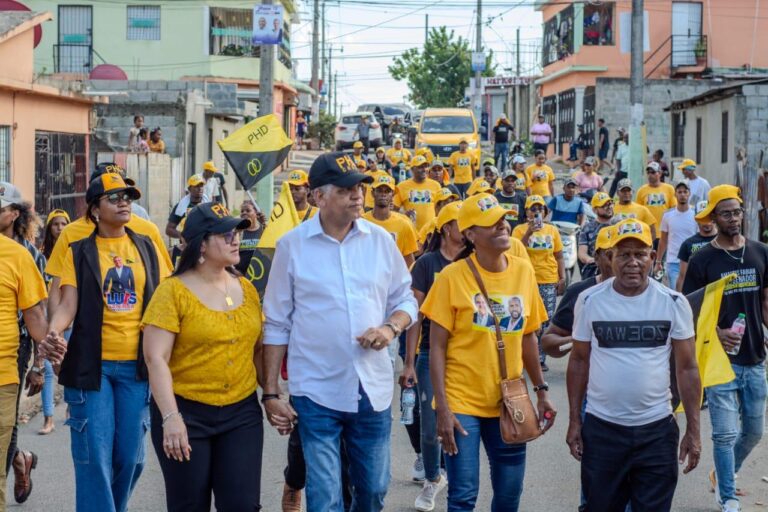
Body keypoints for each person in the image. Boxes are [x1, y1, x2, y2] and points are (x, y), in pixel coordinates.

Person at [261, 152, 418, 512]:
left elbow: (406, 300)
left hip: (371, 389)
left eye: (359, 188)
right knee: (324, 496)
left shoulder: (381, 241)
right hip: (315, 389)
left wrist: (390, 327)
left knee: (374, 490)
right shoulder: (292, 246)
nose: (357, 195)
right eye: (346, 190)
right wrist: (271, 391)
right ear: (319, 197)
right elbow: (277, 323)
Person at [41, 172, 172, 512]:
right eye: (114, 198)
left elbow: (166, 298)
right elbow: (67, 304)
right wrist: (53, 332)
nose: (124, 202)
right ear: (95, 210)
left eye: (127, 196)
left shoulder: (147, 245)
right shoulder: (79, 250)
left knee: (131, 457)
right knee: (94, 458)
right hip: (92, 368)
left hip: (137, 367)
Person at [421, 192, 556, 511]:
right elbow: (436, 346)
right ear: (470, 234)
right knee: (463, 496)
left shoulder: (523, 271)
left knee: (509, 496)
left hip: (509, 402)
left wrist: (541, 391)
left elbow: (528, 337)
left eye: (503, 219)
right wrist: (442, 407)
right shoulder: (452, 276)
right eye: (491, 222)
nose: (502, 226)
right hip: (461, 402)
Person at [567, 218, 702, 512]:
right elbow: (578, 361)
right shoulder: (589, 301)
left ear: (652, 257)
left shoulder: (673, 302)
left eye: (640, 254)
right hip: (602, 429)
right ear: (610, 257)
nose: (632, 262)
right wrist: (575, 420)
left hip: (657, 431)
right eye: (624, 254)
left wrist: (694, 430)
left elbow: (687, 368)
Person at [141, 202, 264, 512]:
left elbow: (257, 350)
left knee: (242, 505)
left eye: (237, 232)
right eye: (226, 234)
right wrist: (171, 418)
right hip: (186, 413)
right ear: (202, 244)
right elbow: (156, 359)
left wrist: (274, 394)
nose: (236, 239)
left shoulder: (247, 289)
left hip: (241, 413)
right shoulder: (172, 292)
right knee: (189, 505)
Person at [682, 185, 767, 512]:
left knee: (754, 432)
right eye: (726, 213)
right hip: (719, 362)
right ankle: (728, 496)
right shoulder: (702, 259)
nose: (733, 218)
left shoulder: (761, 252)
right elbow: (689, 310)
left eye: (736, 212)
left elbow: (765, 302)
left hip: (755, 358)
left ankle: (723, 474)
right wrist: (717, 333)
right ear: (714, 218)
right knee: (724, 434)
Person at [401, 202, 463, 511]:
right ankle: (431, 478)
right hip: (429, 353)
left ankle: (457, 483)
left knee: (463, 423)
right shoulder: (427, 264)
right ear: (447, 228)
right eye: (461, 222)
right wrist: (409, 362)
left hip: (464, 355)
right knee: (429, 426)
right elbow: (415, 316)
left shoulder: (473, 261)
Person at [0, 194, 47, 510]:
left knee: (7, 431)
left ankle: (15, 461)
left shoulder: (24, 255)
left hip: (11, 357)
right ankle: (20, 460)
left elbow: (36, 313)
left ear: (14, 214)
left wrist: (42, 363)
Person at [541, 224, 614, 359]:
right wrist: (577, 339)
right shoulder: (580, 293)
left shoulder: (653, 295)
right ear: (597, 258)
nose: (618, 261)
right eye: (610, 254)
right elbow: (548, 343)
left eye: (625, 254)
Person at [512, 195, 565, 372]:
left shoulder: (552, 230)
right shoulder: (519, 230)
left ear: (545, 211)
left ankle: (540, 358)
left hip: (548, 280)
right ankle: (522, 357)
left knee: (545, 320)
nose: (537, 212)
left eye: (540, 209)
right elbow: (514, 252)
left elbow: (559, 255)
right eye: (533, 209)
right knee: (525, 318)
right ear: (526, 212)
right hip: (525, 281)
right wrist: (529, 232)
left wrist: (562, 277)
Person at [363, 174, 418, 267]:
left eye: (387, 191)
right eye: (379, 190)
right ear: (372, 193)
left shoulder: (403, 224)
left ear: (393, 195)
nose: (383, 194)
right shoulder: (361, 221)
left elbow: (409, 263)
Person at [655, 181, 698, 289]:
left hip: (692, 261)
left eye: (685, 192)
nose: (682, 195)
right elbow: (663, 240)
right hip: (673, 262)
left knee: (692, 292)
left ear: (689, 193)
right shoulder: (667, 215)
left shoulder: (696, 214)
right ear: (675, 194)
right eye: (679, 192)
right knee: (676, 292)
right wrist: (658, 261)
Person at [394, 155, 442, 232]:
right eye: (420, 167)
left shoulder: (436, 185)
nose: (424, 169)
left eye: (426, 166)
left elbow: (441, 209)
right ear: (412, 169)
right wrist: (403, 215)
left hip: (430, 232)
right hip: (410, 232)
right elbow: (393, 211)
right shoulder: (402, 186)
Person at [675, 200, 716, 292]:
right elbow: (682, 276)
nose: (706, 222)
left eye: (708, 216)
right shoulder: (687, 244)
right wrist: (679, 297)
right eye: (702, 217)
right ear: (696, 219)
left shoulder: (724, 241)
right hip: (696, 293)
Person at [637, 162, 677, 244]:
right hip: (648, 234)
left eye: (653, 172)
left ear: (660, 173)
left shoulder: (669, 188)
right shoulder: (641, 190)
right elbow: (638, 213)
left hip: (665, 233)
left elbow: (674, 209)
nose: (650, 175)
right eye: (648, 173)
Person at [578, 192, 614, 279]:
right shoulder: (587, 228)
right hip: (596, 268)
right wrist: (590, 260)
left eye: (610, 204)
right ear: (594, 210)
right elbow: (582, 253)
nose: (609, 207)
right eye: (604, 205)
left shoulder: (619, 225)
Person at [167, 175, 208, 241]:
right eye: (196, 186)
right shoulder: (181, 207)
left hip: (206, 243)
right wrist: (183, 236)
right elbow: (169, 229)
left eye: (201, 186)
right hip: (188, 244)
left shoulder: (209, 205)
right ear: (189, 189)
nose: (200, 188)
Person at [236, 200, 266, 275]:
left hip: (260, 275)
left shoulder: (264, 229)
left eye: (248, 210)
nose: (244, 213)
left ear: (256, 213)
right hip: (240, 275)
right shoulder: (238, 231)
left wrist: (265, 225)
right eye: (242, 211)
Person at [609, 132, 629, 198]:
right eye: (625, 138)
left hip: (632, 171)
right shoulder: (621, 147)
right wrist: (618, 169)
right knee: (615, 183)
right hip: (623, 170)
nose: (626, 139)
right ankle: (610, 198)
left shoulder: (635, 146)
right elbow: (618, 159)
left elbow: (647, 150)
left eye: (627, 138)